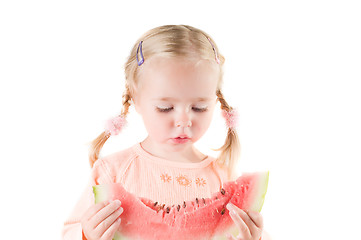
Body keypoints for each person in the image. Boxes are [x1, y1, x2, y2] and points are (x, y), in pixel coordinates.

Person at [62, 24, 268, 240]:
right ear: (135, 100)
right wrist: (86, 233)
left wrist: (254, 236)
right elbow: (70, 230)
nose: (183, 121)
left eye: (199, 108)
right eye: (165, 108)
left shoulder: (222, 175)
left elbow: (235, 230)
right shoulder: (112, 171)